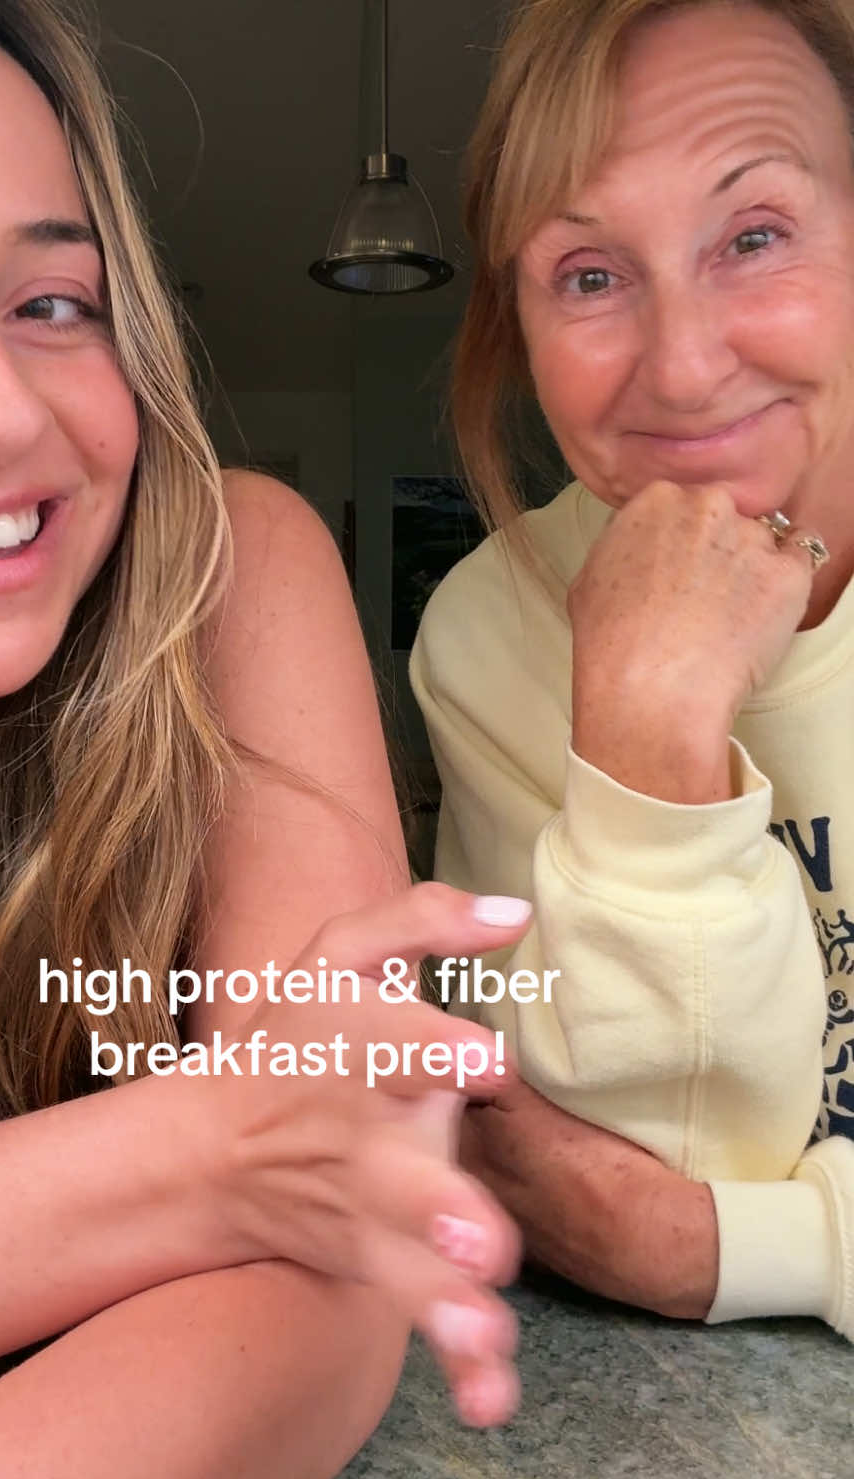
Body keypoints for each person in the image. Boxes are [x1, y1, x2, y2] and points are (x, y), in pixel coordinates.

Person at [0, 1, 532, 1479]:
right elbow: (284, 1155)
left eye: (53, 302)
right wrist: (201, 1153)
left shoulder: (228, 570)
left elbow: (328, 1237)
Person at [411, 0, 854, 1343]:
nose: (684, 369)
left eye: (756, 236)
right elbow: (618, 1164)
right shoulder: (492, 634)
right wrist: (650, 730)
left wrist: (734, 1248)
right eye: (591, 276)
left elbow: (659, 1223)